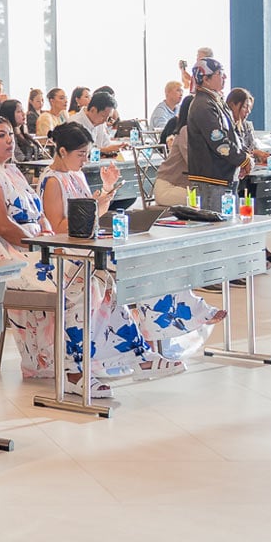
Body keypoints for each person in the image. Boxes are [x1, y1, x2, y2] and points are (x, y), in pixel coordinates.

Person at [0, 115, 161, 394]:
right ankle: (72, 371)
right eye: (1, 136)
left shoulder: (11, 170)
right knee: (80, 283)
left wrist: (50, 240)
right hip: (4, 259)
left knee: (100, 278)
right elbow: (4, 227)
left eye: (10, 135)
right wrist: (44, 245)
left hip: (34, 248)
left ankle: (125, 356)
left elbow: (40, 216)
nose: (9, 141)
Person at [39, 120, 221, 365]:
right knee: (141, 265)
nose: (85, 160)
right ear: (62, 151)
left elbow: (90, 213)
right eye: (81, 154)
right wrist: (95, 209)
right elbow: (57, 227)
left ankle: (169, 324)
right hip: (71, 249)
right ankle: (160, 332)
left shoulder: (75, 175)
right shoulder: (53, 181)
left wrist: (106, 193)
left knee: (155, 258)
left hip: (89, 240)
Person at [183, 61, 240, 215]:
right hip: (211, 180)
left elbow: (232, 134)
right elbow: (218, 141)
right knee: (217, 224)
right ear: (206, 79)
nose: (225, 77)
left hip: (222, 176)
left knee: (230, 224)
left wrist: (244, 157)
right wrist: (242, 159)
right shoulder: (203, 105)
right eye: (219, 73)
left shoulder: (215, 100)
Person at [76, 90, 122, 156]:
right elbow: (78, 153)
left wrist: (117, 147)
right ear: (93, 110)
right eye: (103, 116)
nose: (105, 120)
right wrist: (104, 150)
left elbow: (106, 143)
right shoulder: (75, 123)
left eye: (108, 117)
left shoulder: (100, 122)